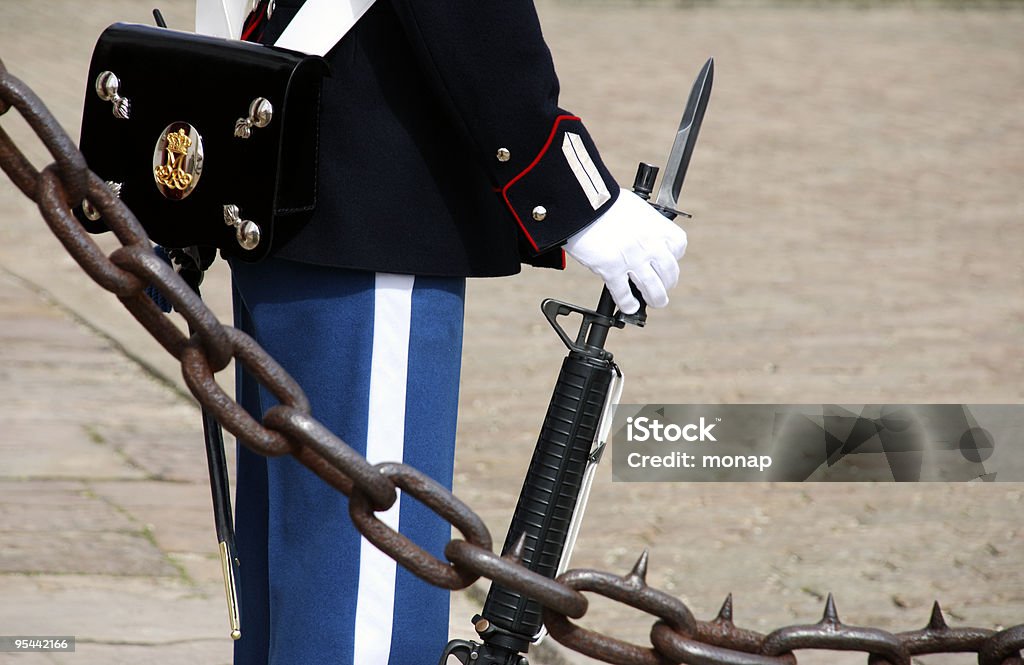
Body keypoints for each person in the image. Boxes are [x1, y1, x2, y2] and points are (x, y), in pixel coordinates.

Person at [196, 1, 688, 663]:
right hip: (374, 205)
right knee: (361, 610)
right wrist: (568, 187)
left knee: (296, 593)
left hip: (286, 172)